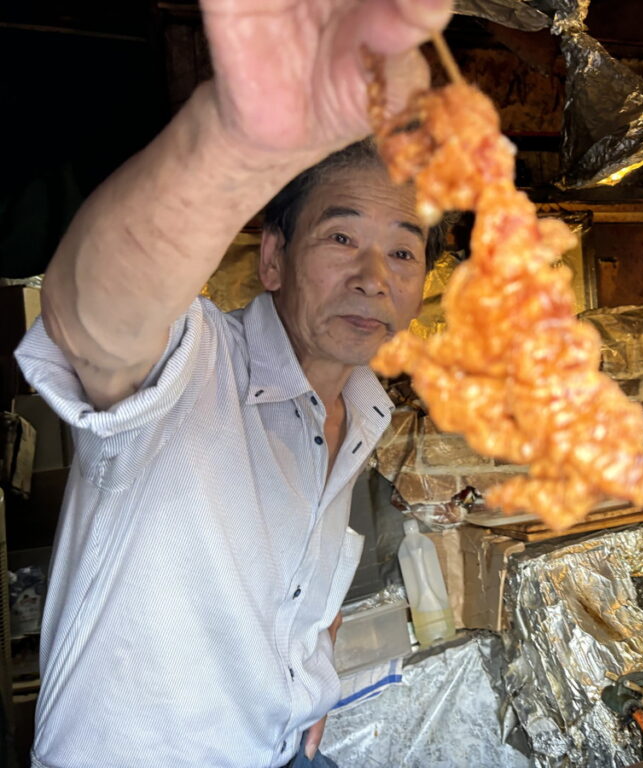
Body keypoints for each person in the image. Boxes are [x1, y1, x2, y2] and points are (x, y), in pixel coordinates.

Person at [13, 1, 453, 766]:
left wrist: (300, 672)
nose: (373, 278)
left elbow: (289, 593)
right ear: (273, 259)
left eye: (403, 253)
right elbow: (93, 318)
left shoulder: (360, 406)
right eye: (342, 237)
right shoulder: (194, 365)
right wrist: (230, 141)